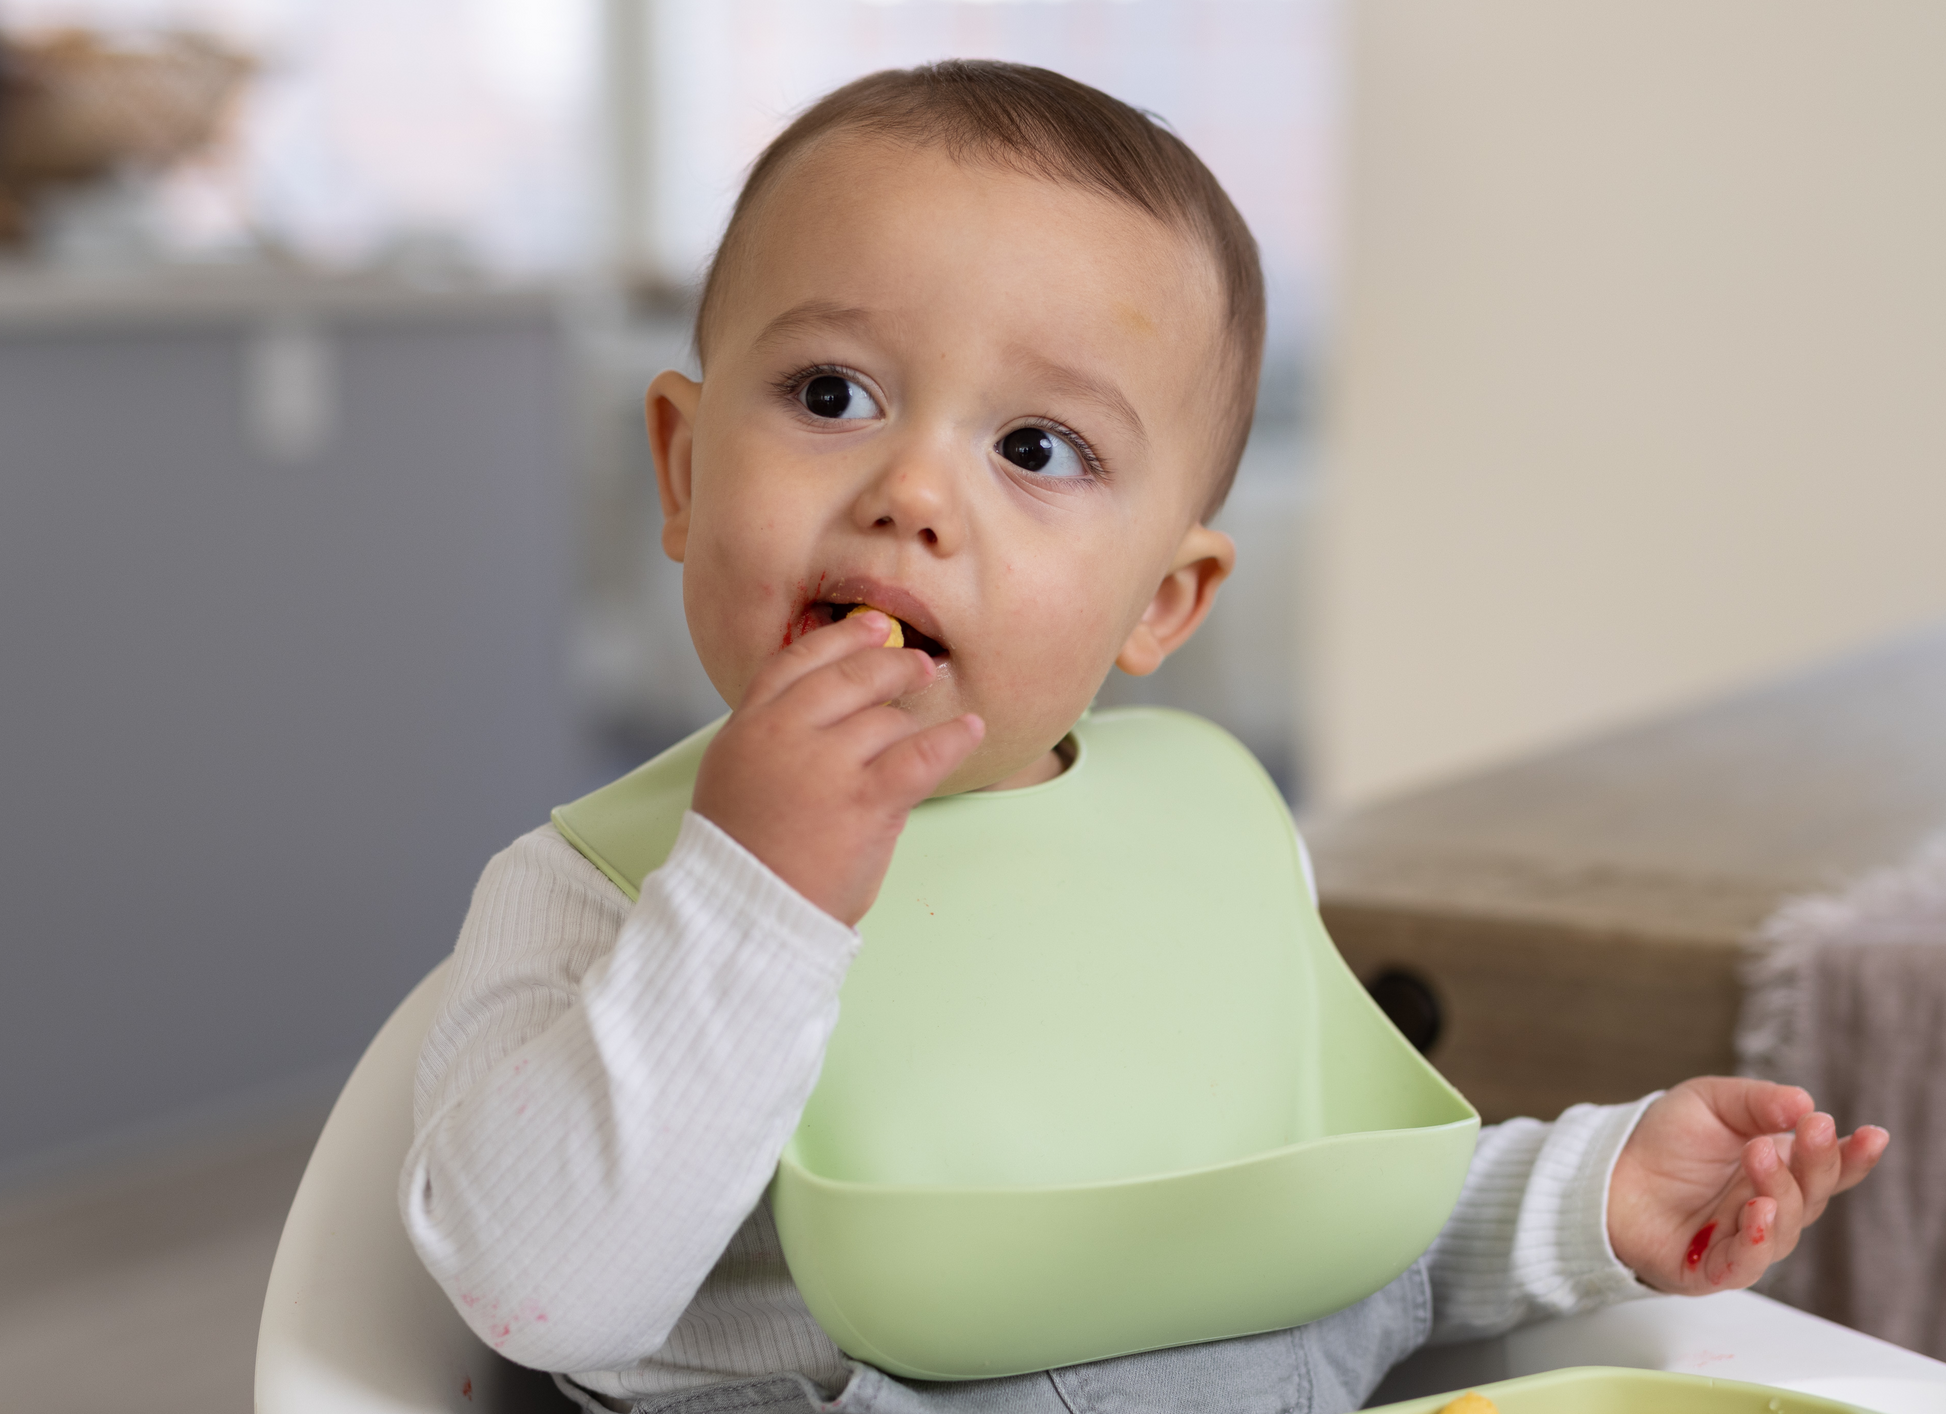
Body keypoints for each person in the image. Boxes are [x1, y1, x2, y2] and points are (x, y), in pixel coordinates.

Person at [400, 62, 1886, 1414]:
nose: (912, 489)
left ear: (1160, 599)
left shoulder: (1209, 830)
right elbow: (540, 1295)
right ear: (679, 463)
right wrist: (753, 894)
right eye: (829, 394)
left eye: (1035, 448)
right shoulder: (589, 887)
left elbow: (1302, 1232)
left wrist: (1588, 1194)